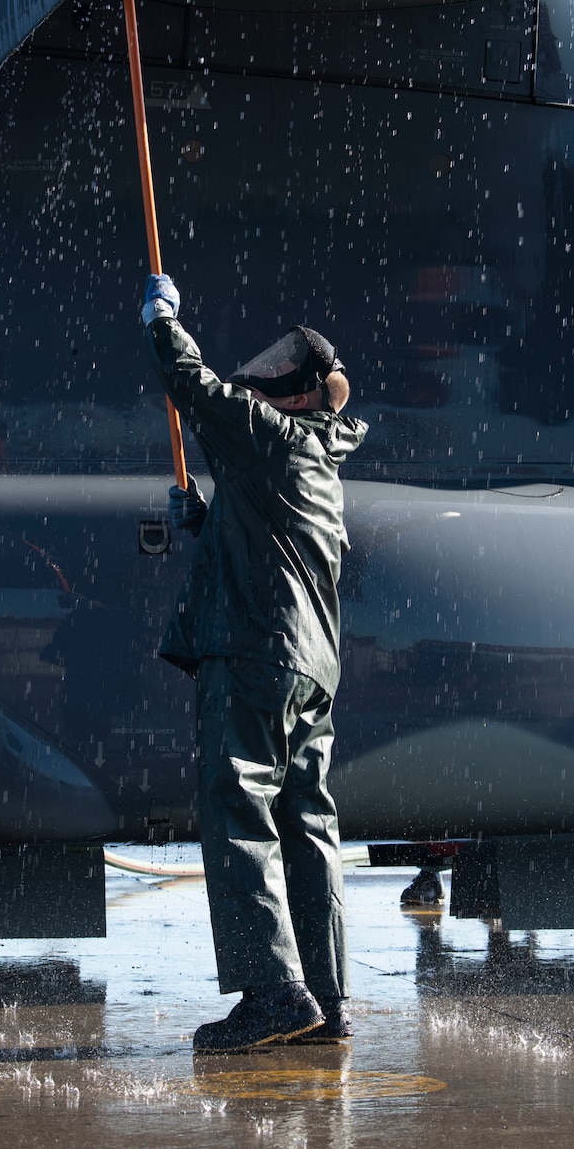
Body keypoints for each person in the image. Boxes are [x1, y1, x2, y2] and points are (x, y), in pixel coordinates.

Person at [141, 272, 368, 1052]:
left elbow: (194, 387)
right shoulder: (317, 463)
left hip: (252, 652)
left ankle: (273, 989)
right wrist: (206, 521)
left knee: (237, 803)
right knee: (307, 820)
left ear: (301, 394)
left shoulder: (271, 436)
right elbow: (274, 546)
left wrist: (164, 322)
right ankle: (327, 999)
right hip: (310, 670)